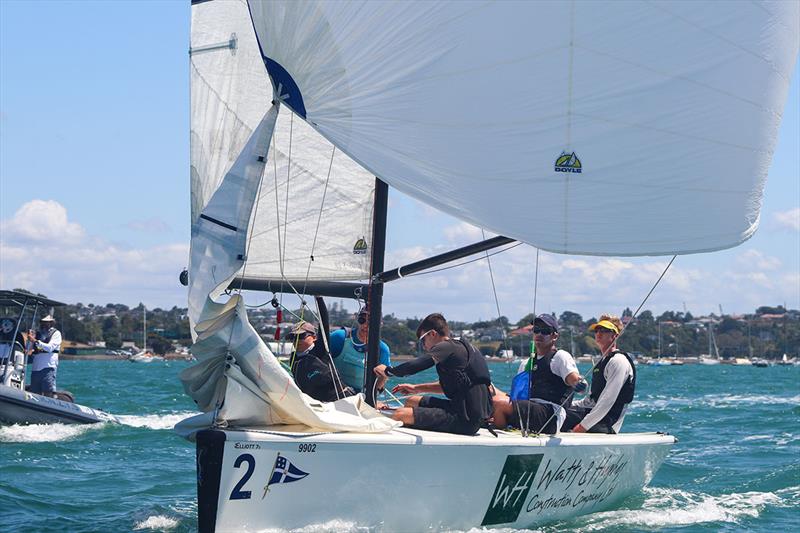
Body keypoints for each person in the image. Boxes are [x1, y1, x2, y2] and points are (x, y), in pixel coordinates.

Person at [373, 313, 493, 436]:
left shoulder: (447, 347)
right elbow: (456, 384)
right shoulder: (463, 347)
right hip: (470, 413)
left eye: (423, 340)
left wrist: (388, 371)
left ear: (432, 334)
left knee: (400, 415)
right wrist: (416, 388)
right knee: (411, 401)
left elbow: (416, 365)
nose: (424, 346)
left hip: (465, 419)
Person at [492, 314, 584, 433]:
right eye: (536, 330)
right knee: (490, 395)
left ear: (554, 336)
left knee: (498, 404)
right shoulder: (526, 363)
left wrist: (580, 383)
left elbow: (574, 379)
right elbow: (519, 395)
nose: (539, 334)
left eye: (545, 331)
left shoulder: (560, 357)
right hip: (530, 408)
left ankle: (504, 436)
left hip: (551, 414)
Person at [567, 314, 636, 434]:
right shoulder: (602, 362)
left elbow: (607, 400)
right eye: (597, 330)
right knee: (555, 413)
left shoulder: (618, 361)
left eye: (604, 330)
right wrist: (564, 405)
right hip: (592, 415)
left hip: (607, 423)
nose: (599, 333)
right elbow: (590, 401)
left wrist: (582, 427)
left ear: (615, 335)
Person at [289, 320, 369, 403]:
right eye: (292, 337)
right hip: (313, 404)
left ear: (314, 337)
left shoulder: (320, 349)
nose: (297, 340)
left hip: (340, 400)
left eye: (301, 336)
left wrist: (320, 307)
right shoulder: (294, 359)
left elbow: (324, 322)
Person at [329, 307, 391, 392]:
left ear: (379, 325)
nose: (365, 325)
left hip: (360, 398)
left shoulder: (382, 349)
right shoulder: (339, 337)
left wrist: (383, 376)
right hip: (332, 392)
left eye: (370, 321)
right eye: (362, 320)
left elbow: (380, 383)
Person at [28, 315, 61, 397]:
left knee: (48, 391)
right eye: (43, 322)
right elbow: (29, 348)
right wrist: (30, 340)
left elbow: (50, 348)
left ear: (51, 323)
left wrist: (35, 341)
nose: (44, 324)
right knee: (35, 392)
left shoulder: (56, 333)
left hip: (48, 366)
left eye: (47, 322)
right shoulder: (38, 333)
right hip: (36, 367)